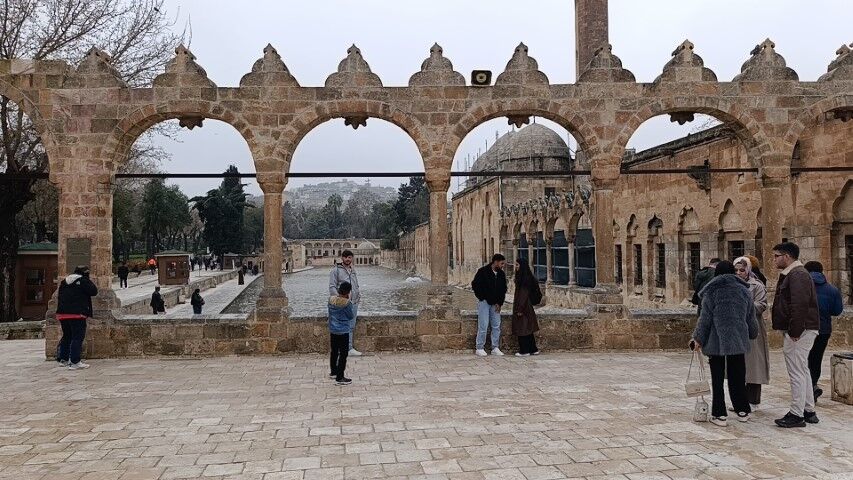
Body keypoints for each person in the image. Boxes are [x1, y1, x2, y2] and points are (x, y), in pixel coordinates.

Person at [690, 260, 758, 427]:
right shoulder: (744, 291)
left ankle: (720, 414)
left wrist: (697, 339)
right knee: (738, 376)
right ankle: (743, 410)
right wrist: (752, 333)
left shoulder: (711, 291)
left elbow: (704, 319)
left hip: (716, 340)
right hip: (737, 339)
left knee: (718, 378)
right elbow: (751, 317)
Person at [771, 242, 821, 428]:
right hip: (802, 329)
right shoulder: (794, 274)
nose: (774, 260)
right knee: (802, 369)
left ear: (787, 256)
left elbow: (799, 305)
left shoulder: (797, 274)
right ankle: (808, 410)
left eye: (777, 256)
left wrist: (795, 330)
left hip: (801, 331)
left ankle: (796, 413)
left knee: (796, 372)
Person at [804, 261, 844, 402]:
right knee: (816, 358)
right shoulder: (832, 289)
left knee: (803, 360)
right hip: (824, 329)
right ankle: (813, 384)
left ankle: (808, 389)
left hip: (805, 329)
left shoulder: (802, 287)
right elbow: (837, 310)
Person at [734, 256, 769, 408]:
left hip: (752, 329)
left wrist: (744, 306)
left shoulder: (757, 286)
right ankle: (740, 400)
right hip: (737, 329)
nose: (739, 273)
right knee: (739, 366)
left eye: (742, 270)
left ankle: (753, 401)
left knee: (754, 365)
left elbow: (761, 305)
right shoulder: (732, 285)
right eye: (736, 270)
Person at [56, 265, 98, 370]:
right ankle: (75, 361)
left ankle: (63, 359)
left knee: (67, 336)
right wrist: (87, 280)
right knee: (77, 337)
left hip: (62, 313)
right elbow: (94, 291)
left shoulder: (64, 282)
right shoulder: (83, 281)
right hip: (77, 314)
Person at [471, 253, 508, 356]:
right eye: (501, 263)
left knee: (496, 325)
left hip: (495, 304)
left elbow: (503, 289)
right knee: (483, 324)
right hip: (484, 302)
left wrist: (500, 302)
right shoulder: (483, 272)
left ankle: (495, 347)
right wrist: (482, 297)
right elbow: (475, 285)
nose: (502, 266)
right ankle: (479, 347)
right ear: (495, 262)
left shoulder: (501, 274)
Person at [329, 250, 361, 356]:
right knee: (341, 325)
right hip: (342, 303)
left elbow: (355, 284)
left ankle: (349, 348)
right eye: (346, 257)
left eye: (350, 257)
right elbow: (332, 286)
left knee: (351, 325)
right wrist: (340, 300)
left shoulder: (353, 270)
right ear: (342, 258)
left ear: (352, 258)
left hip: (353, 302)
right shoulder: (336, 271)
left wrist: (358, 295)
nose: (348, 259)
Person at [512, 257, 542, 357]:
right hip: (527, 306)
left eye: (517, 265)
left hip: (524, 307)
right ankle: (533, 349)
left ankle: (524, 350)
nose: (515, 267)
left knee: (522, 329)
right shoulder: (528, 277)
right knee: (528, 329)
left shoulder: (524, 279)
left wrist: (520, 309)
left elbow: (523, 295)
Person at [328, 281, 355, 385]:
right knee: (343, 354)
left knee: (334, 351)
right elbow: (350, 316)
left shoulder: (331, 299)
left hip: (333, 329)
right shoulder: (347, 303)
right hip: (343, 331)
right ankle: (340, 377)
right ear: (348, 292)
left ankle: (333, 372)